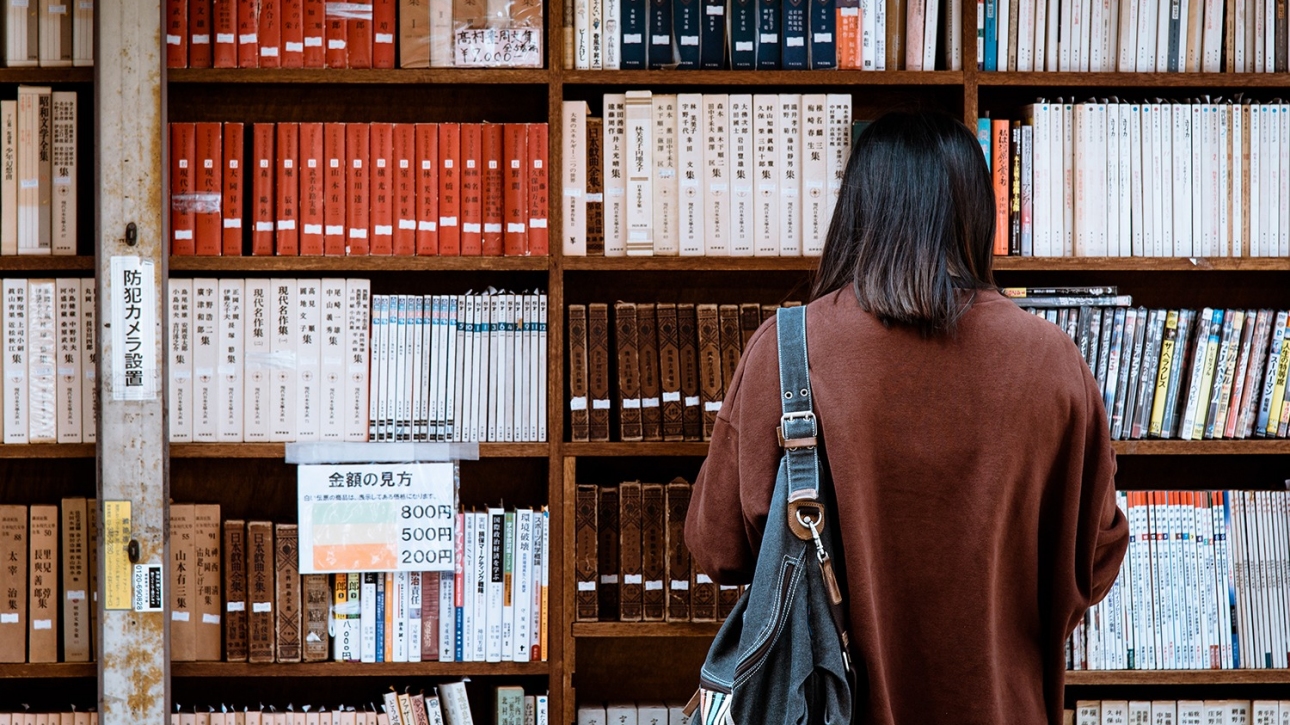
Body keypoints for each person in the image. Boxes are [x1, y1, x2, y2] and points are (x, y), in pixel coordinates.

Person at [684, 110, 1128, 725]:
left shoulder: (788, 350)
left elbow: (717, 550)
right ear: (978, 215)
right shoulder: (1053, 363)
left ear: (857, 212)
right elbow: (1096, 558)